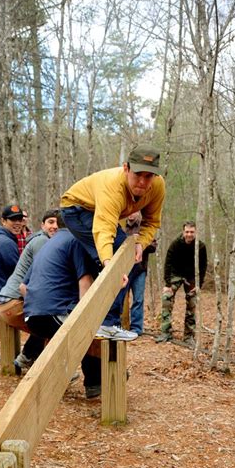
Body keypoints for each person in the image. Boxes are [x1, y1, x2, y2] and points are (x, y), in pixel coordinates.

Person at [60, 145, 165, 341]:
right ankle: (106, 323)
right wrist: (109, 262)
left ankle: (103, 319)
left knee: (129, 257)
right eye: (137, 174)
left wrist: (141, 243)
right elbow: (104, 229)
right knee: (117, 256)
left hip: (99, 214)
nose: (142, 182)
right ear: (126, 168)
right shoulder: (113, 186)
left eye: (149, 176)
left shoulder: (157, 186)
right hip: (76, 208)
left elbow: (152, 222)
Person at [23, 228, 101, 399]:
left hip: (31, 315)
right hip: (53, 312)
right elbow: (85, 282)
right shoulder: (76, 241)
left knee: (72, 328)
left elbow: (23, 287)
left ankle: (34, 362)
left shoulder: (48, 244)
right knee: (90, 332)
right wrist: (88, 318)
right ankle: (96, 382)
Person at [0, 209, 61, 371]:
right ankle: (52, 369)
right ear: (42, 225)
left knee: (48, 320)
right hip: (13, 302)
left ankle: (27, 358)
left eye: (57, 223)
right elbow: (42, 281)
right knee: (53, 324)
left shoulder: (43, 241)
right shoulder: (42, 242)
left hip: (12, 301)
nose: (54, 226)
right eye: (50, 222)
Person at [155, 221, 207, 346]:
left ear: (196, 232)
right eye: (187, 232)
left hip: (191, 277)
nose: (189, 234)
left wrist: (199, 285)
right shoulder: (176, 244)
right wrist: (168, 284)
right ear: (183, 232)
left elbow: (203, 266)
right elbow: (168, 263)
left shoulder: (200, 246)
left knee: (192, 303)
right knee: (166, 298)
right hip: (176, 275)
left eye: (192, 232)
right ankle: (165, 332)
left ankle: (189, 336)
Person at [0, 204, 26, 308]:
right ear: (3, 221)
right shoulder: (5, 243)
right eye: (13, 220)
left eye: (19, 220)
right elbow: (19, 274)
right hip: (4, 301)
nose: (17, 223)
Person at [122, 211, 157, 336]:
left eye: (134, 211)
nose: (131, 214)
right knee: (120, 298)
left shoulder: (143, 227)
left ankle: (136, 328)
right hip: (124, 270)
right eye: (129, 212)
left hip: (140, 269)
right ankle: (120, 325)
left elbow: (153, 246)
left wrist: (140, 243)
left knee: (138, 299)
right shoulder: (121, 226)